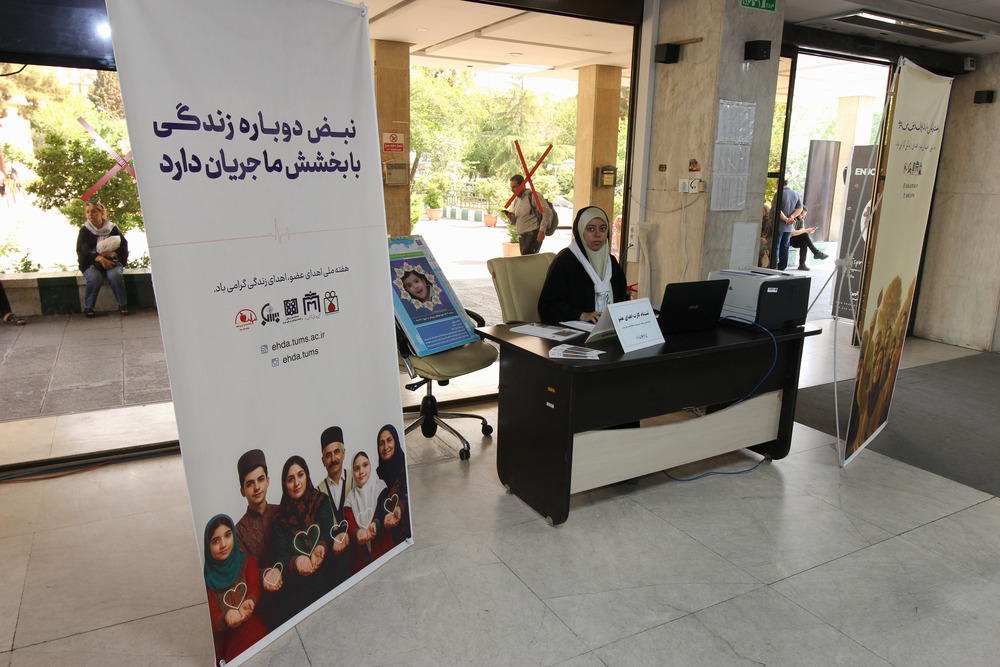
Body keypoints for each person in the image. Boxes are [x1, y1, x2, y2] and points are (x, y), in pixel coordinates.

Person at [537, 205, 629, 325]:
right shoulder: (565, 261)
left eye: (603, 228)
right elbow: (547, 307)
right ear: (580, 231)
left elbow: (622, 299)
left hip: (609, 327)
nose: (597, 234)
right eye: (590, 229)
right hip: (575, 329)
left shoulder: (610, 262)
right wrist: (581, 315)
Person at [270, 455, 335, 614]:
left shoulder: (321, 501)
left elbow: (329, 532)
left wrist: (321, 546)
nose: (296, 483)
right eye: (290, 479)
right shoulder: (279, 519)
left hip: (329, 579)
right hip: (298, 594)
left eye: (300, 475)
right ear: (285, 484)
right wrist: (297, 562)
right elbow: (281, 556)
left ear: (307, 475)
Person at [203, 514, 268, 664]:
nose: (223, 544)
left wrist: (250, 601)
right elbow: (212, 615)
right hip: (226, 639)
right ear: (208, 546)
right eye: (215, 541)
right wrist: (226, 618)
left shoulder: (247, 561)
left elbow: (254, 587)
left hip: (252, 626)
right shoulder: (206, 580)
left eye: (227, 535)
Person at [233, 449, 285, 630]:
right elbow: (245, 572)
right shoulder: (238, 532)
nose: (257, 487)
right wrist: (266, 573)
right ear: (242, 491)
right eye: (250, 483)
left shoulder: (282, 512)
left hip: (293, 592)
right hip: (263, 608)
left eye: (260, 480)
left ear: (268, 481)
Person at [76, 200, 129, 317]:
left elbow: (123, 246)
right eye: (87, 212)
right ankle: (89, 307)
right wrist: (100, 259)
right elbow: (84, 251)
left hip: (112, 261)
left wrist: (111, 255)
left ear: (101, 213)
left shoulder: (112, 228)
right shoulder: (85, 230)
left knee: (115, 275)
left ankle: (123, 304)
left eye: (93, 211)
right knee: (95, 278)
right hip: (91, 264)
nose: (90, 214)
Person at [316, 426, 354, 587]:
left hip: (358, 552)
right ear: (323, 461)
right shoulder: (317, 492)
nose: (333, 459)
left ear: (344, 453)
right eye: (328, 455)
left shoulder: (356, 477)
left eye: (337, 452)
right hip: (334, 563)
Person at [344, 450, 392, 567]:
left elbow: (384, 509)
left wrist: (375, 524)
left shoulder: (380, 486)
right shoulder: (350, 499)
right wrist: (357, 533)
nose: (361, 471)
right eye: (356, 469)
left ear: (371, 465)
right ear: (352, 472)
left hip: (382, 545)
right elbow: (349, 523)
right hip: (362, 554)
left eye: (365, 465)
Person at [375, 424, 410, 544]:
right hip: (391, 537)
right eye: (381, 443)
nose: (386, 447)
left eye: (389, 440)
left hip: (407, 532)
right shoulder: (378, 474)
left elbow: (407, 493)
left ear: (396, 441)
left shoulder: (404, 467)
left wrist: (400, 507)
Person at [503, 174, 545, 256]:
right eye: (511, 187)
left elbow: (547, 213)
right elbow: (514, 222)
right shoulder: (517, 201)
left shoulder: (534, 196)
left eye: (515, 187)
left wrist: (542, 230)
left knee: (527, 260)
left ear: (523, 185)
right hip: (522, 237)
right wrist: (511, 218)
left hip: (533, 235)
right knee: (526, 260)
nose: (512, 190)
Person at [788, 206, 829, 270]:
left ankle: (802, 264)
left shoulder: (801, 221)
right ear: (798, 212)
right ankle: (816, 253)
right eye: (802, 215)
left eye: (804, 215)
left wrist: (806, 231)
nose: (803, 217)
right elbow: (792, 233)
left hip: (795, 239)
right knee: (805, 234)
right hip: (787, 239)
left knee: (804, 242)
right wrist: (806, 231)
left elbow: (801, 231)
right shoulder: (791, 219)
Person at [776, 185, 803, 271]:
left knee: (776, 245)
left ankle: (774, 265)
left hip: (779, 225)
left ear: (778, 184)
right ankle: (782, 267)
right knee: (785, 246)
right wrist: (792, 217)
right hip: (789, 227)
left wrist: (786, 219)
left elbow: (777, 208)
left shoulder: (779, 193)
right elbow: (800, 208)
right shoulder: (795, 194)